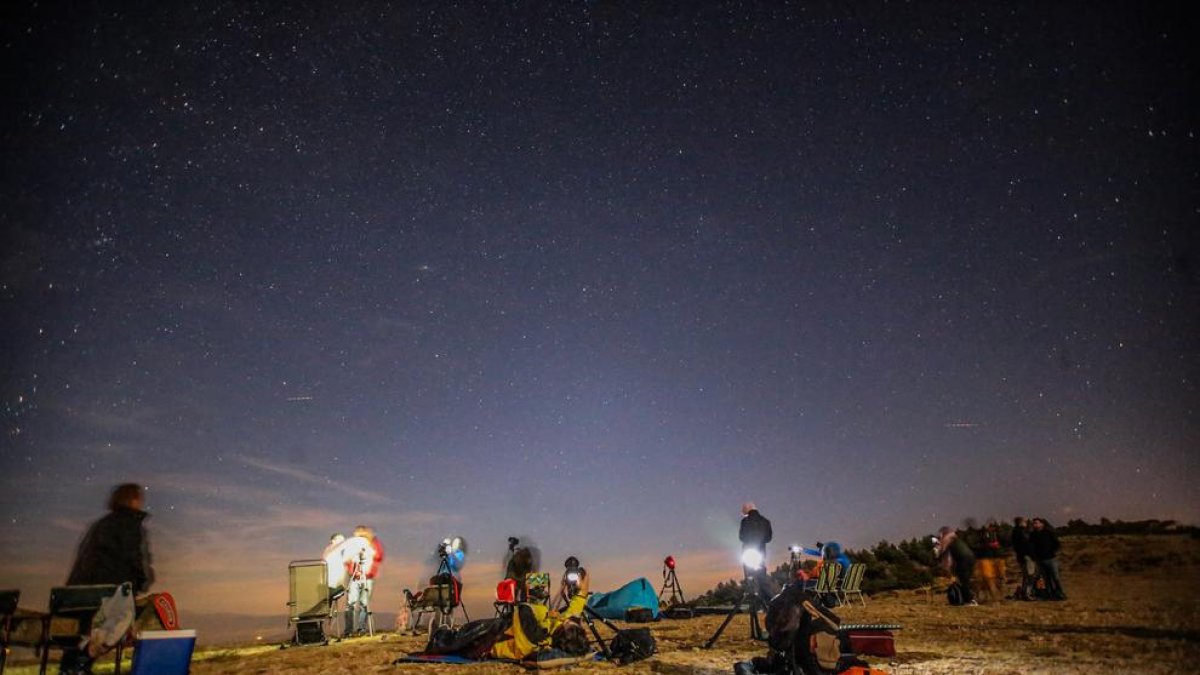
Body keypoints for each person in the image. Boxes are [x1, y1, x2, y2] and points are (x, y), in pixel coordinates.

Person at [62, 483, 155, 673]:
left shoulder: (99, 526)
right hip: (109, 601)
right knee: (151, 612)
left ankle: (73, 666)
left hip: (77, 602)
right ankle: (83, 659)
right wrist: (144, 582)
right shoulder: (130, 524)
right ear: (134, 500)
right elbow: (138, 563)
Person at [490, 568, 591, 660]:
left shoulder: (537, 638)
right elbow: (577, 605)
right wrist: (581, 587)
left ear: (562, 633)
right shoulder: (560, 626)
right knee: (531, 580)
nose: (567, 619)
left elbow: (523, 610)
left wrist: (525, 590)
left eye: (568, 623)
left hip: (494, 636)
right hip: (513, 621)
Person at [343, 525, 385, 636]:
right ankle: (349, 630)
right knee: (351, 604)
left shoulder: (372, 544)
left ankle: (361, 628)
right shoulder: (354, 545)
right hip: (356, 577)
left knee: (364, 604)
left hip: (367, 577)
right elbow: (347, 559)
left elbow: (378, 555)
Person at [739, 502, 775, 602]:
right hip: (761, 554)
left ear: (748, 508)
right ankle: (769, 603)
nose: (742, 512)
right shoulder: (766, 521)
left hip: (748, 553)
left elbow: (741, 537)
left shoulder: (745, 521)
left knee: (750, 580)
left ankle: (754, 604)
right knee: (762, 579)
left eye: (743, 510)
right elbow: (769, 538)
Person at [935, 526, 977, 606]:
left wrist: (946, 569)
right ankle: (969, 598)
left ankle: (970, 601)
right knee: (966, 580)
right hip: (971, 557)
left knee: (964, 581)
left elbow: (945, 556)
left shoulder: (946, 539)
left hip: (963, 559)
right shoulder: (955, 538)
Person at [1029, 517, 1066, 600]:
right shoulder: (1032, 535)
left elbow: (1056, 543)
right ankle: (1050, 595)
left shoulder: (1048, 533)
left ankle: (1060, 594)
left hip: (1051, 558)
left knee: (1056, 577)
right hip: (1040, 560)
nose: (1034, 524)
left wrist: (1053, 551)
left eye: (1036, 522)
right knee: (1046, 579)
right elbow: (1031, 546)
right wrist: (1034, 556)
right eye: (1034, 523)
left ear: (1042, 524)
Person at [1010, 517, 1036, 598]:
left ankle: (1024, 592)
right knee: (1030, 575)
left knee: (1026, 576)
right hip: (1027, 556)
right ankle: (1028, 594)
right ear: (1021, 523)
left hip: (1021, 557)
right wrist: (1033, 556)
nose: (1026, 522)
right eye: (1025, 521)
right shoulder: (1021, 532)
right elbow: (1027, 545)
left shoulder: (1015, 531)